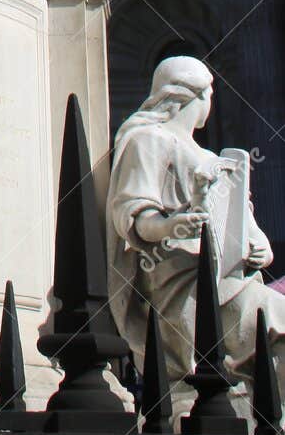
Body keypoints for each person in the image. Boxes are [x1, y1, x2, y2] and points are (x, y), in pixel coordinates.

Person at [107, 55, 285, 394]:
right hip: (183, 282)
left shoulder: (215, 160)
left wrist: (261, 247)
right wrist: (172, 226)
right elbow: (134, 217)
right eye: (210, 95)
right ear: (198, 94)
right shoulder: (148, 140)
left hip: (231, 280)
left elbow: (246, 224)